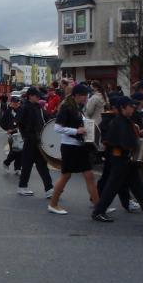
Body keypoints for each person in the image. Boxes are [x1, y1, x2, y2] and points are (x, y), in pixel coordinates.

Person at [91, 96, 143, 223]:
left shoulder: (125, 120)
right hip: (120, 159)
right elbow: (124, 142)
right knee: (113, 187)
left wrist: (139, 134)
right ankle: (98, 212)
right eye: (130, 106)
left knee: (137, 188)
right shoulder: (119, 122)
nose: (133, 108)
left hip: (125, 160)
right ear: (122, 107)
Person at [48, 84, 100, 215]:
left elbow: (81, 123)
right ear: (77, 95)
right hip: (69, 146)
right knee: (66, 175)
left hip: (79, 146)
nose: (86, 98)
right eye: (85, 96)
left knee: (89, 176)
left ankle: (99, 206)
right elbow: (57, 128)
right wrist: (77, 131)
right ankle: (53, 204)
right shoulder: (66, 108)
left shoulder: (77, 107)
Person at [16, 87, 54, 197]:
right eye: (36, 96)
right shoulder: (25, 107)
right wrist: (26, 135)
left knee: (41, 164)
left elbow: (46, 118)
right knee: (29, 164)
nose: (38, 97)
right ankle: (24, 187)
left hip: (38, 140)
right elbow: (19, 122)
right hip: (30, 140)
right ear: (30, 96)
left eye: (39, 96)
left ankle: (48, 189)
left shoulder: (37, 107)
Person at [0, 96, 23, 175]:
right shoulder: (7, 111)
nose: (17, 103)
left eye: (18, 102)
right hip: (12, 134)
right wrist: (7, 129)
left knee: (20, 151)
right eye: (15, 102)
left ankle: (17, 168)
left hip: (21, 133)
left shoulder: (21, 110)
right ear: (11, 102)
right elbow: (2, 123)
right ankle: (6, 163)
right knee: (14, 151)